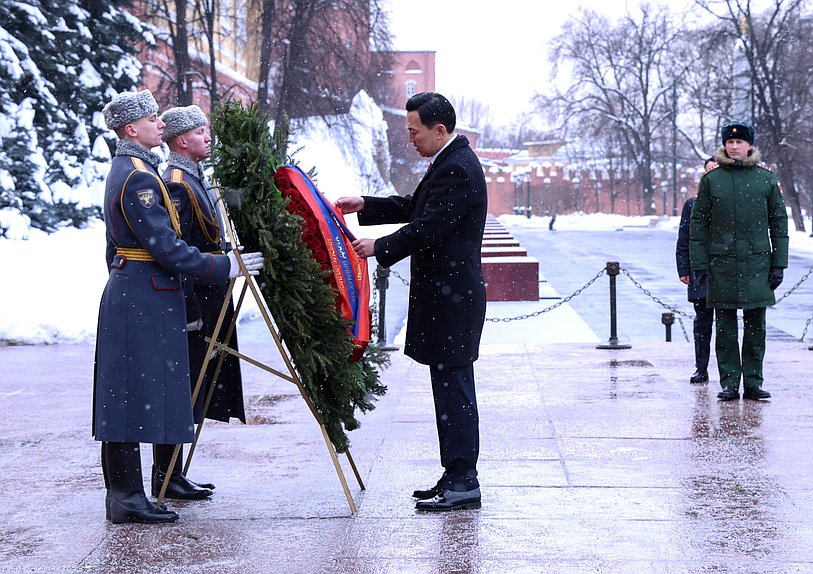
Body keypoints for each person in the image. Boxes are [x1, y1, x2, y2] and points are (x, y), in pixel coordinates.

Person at [93, 90, 262, 523]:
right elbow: (166, 246)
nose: (160, 125)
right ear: (132, 129)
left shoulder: (135, 170)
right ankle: (127, 497)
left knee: (133, 393)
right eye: (153, 119)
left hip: (137, 290)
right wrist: (221, 267)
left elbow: (123, 246)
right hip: (142, 294)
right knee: (130, 395)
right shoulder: (138, 178)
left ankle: (129, 494)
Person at [335, 92, 487, 511]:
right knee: (449, 388)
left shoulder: (457, 168)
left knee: (454, 390)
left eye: (414, 131)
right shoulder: (449, 161)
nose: (410, 139)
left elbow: (428, 229)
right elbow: (416, 208)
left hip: (453, 301)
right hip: (447, 298)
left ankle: (463, 481)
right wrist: (367, 204)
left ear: (440, 130)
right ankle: (455, 474)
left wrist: (377, 247)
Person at [155, 105, 248, 500]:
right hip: (195, 298)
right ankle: (166, 475)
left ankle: (173, 473)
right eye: (199, 131)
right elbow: (180, 249)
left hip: (209, 293)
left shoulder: (194, 176)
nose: (208, 137)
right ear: (181, 140)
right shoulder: (176, 183)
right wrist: (190, 310)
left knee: (194, 385)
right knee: (184, 387)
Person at [689, 121, 788, 401]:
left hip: (757, 264)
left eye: (739, 143)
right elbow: (699, 226)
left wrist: (779, 263)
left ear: (749, 146)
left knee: (756, 327)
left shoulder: (765, 179)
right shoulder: (711, 180)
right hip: (723, 265)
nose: (734, 147)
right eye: (729, 143)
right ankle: (730, 382)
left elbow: (779, 224)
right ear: (724, 146)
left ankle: (754, 381)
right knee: (726, 328)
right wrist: (699, 265)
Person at [676, 157, 717, 384]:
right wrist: (684, 268)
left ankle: (729, 373)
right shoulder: (693, 204)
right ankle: (701, 367)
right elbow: (684, 238)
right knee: (702, 323)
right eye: (708, 171)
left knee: (725, 324)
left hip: (724, 270)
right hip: (700, 271)